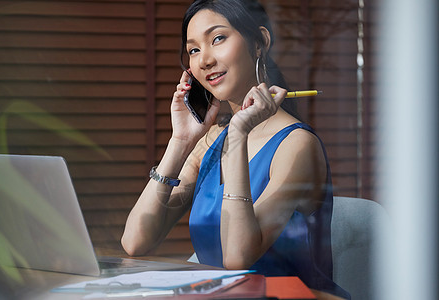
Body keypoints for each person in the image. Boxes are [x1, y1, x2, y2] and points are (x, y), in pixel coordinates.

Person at [122, 0, 349, 298]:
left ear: (259, 43)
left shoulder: (297, 145)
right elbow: (135, 242)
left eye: (218, 39)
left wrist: (239, 133)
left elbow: (238, 258)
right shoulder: (208, 142)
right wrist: (179, 142)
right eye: (193, 49)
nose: (204, 60)